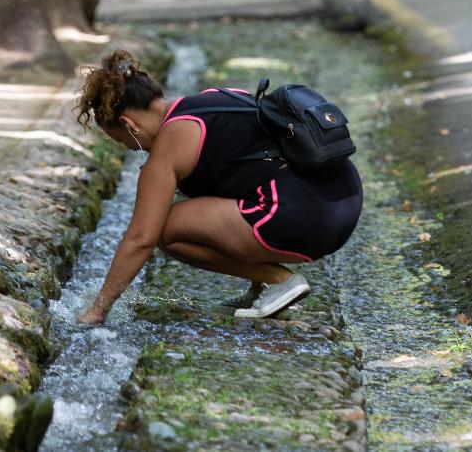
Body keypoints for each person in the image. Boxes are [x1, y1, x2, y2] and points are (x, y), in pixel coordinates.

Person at [72, 50, 363, 323]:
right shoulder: (215, 97)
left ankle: (279, 281)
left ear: (129, 124)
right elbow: (247, 174)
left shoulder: (169, 144)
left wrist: (98, 310)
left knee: (163, 228)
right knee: (226, 196)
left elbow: (141, 239)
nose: (133, 149)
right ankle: (261, 288)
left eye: (122, 140)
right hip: (345, 204)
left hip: (303, 216)